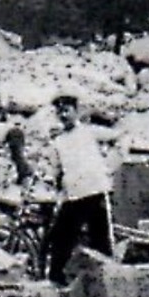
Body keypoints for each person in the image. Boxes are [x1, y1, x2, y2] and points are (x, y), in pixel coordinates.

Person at [44, 92, 114, 284]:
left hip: (95, 190)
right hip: (75, 193)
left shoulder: (90, 132)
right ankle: (61, 280)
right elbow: (55, 170)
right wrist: (55, 184)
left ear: (76, 111)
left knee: (95, 238)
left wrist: (110, 166)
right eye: (60, 112)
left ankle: (104, 280)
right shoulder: (58, 141)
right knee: (62, 237)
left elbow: (120, 137)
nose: (63, 115)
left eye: (66, 110)